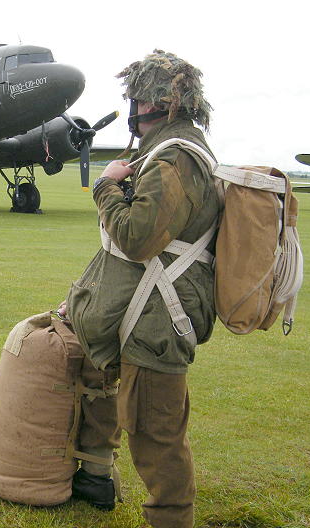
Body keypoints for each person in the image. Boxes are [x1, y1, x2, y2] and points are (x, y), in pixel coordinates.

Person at [59, 49, 220, 528]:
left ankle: (171, 519)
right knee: (98, 388)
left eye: (136, 99)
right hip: (137, 313)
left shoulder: (176, 158)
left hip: (158, 321)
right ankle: (95, 479)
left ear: (150, 103)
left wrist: (105, 187)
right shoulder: (162, 152)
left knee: (156, 432)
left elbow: (136, 237)